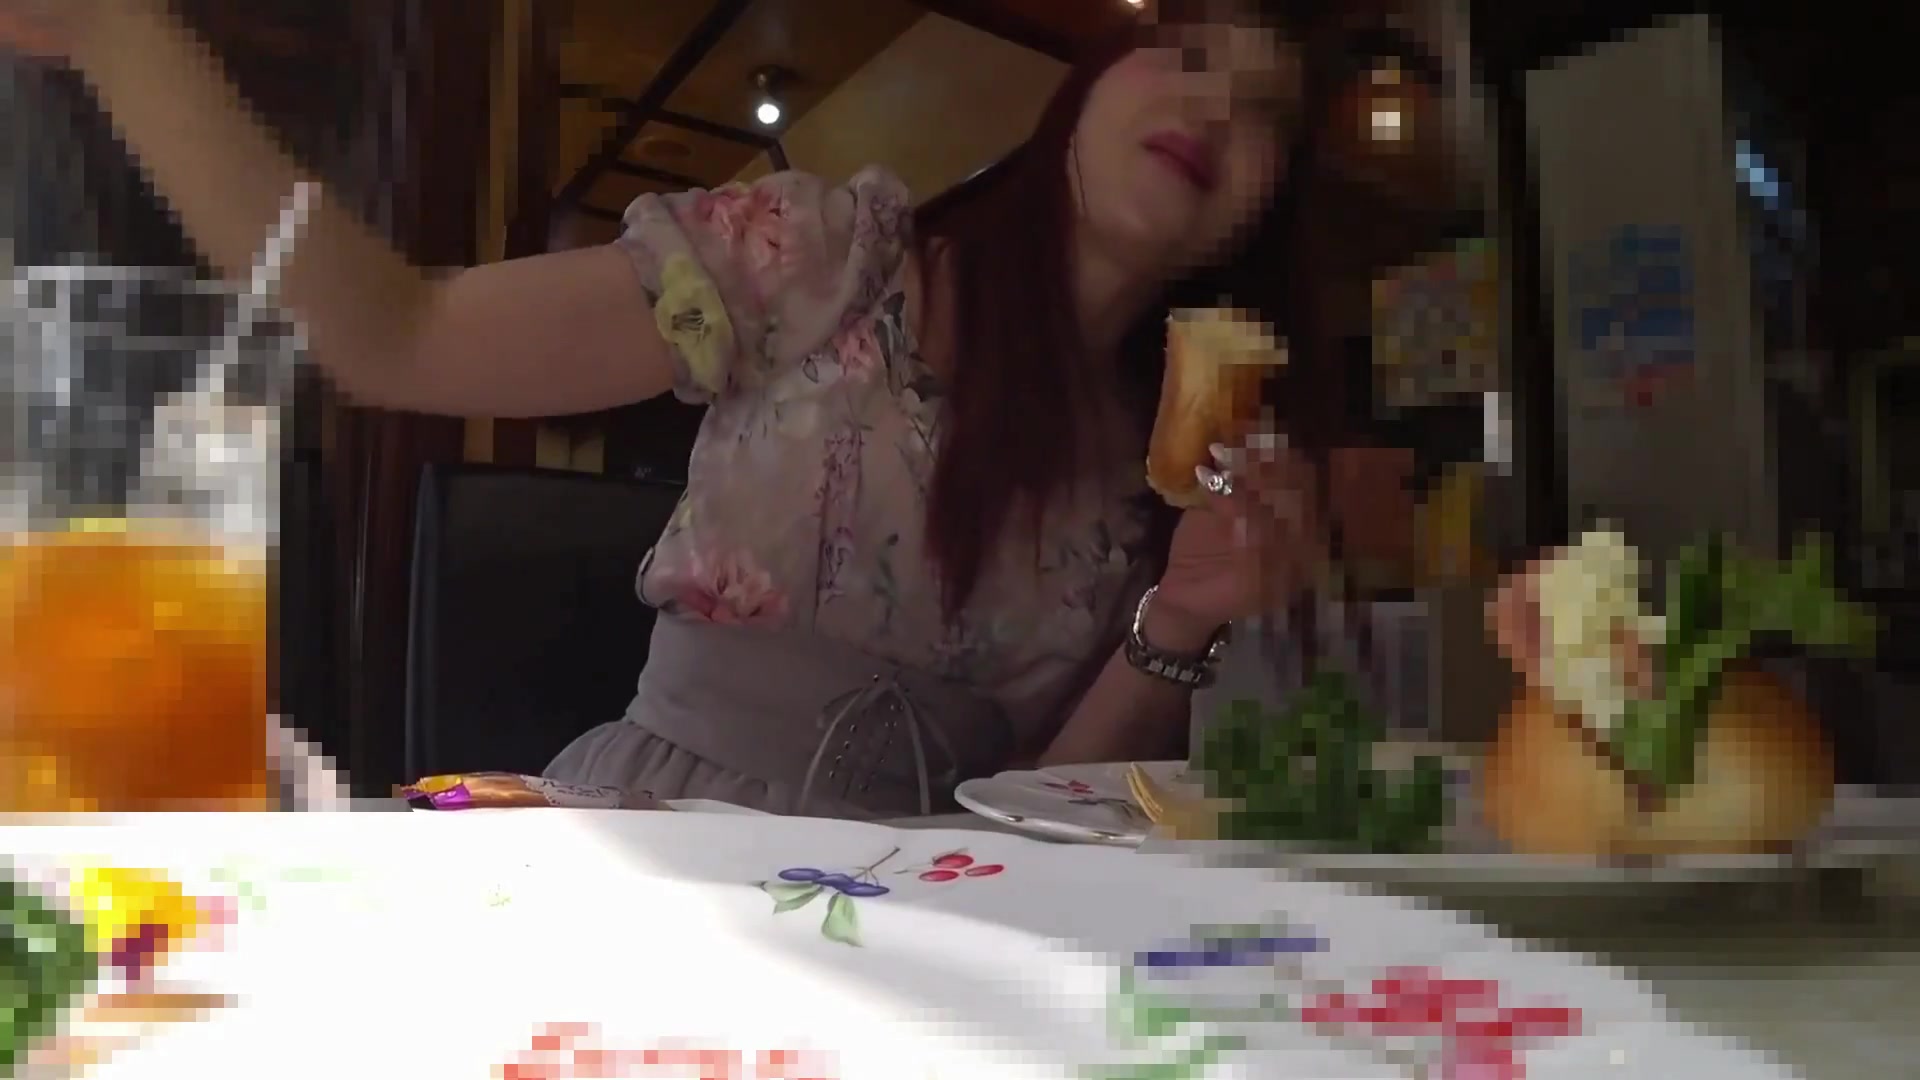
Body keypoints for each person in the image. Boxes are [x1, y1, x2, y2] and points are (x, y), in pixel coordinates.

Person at [15, 0, 1386, 818]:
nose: (1216, 104)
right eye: (1185, 51)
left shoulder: (1168, 462)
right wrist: (119, 34)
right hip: (658, 835)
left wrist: (1180, 619)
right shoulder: (826, 257)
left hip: (947, 904)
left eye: (1264, 109)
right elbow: (399, 333)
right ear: (1085, 91)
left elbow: (1036, 803)